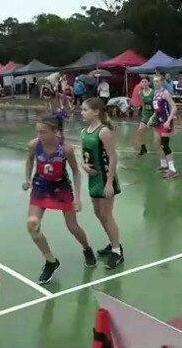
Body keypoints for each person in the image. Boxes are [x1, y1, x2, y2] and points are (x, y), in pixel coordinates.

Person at [23, 113, 97, 283]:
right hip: (40, 186)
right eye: (37, 132)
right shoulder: (34, 145)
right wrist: (27, 179)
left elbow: (76, 172)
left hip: (61, 188)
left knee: (72, 226)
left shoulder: (66, 149)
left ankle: (86, 249)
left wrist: (78, 198)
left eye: (43, 132)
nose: (39, 136)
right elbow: (29, 161)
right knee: (32, 224)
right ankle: (50, 261)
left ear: (55, 131)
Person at [80, 98, 124, 269]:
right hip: (93, 179)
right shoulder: (84, 131)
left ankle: (117, 251)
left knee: (107, 215)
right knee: (99, 214)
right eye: (82, 110)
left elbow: (113, 157)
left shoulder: (103, 131)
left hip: (105, 178)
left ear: (96, 112)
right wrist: (83, 165)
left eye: (85, 110)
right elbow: (84, 154)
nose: (82, 112)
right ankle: (113, 243)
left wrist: (110, 183)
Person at [150, 74, 179, 179]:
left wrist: (169, 120)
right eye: (154, 81)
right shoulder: (155, 93)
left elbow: (174, 107)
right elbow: (157, 108)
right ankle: (163, 164)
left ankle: (173, 170)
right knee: (156, 143)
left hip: (166, 121)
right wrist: (152, 117)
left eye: (157, 81)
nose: (155, 83)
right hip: (158, 120)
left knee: (164, 145)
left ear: (162, 82)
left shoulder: (165, 93)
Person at [133, 77, 154, 156]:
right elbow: (143, 105)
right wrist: (142, 113)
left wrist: (154, 116)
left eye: (145, 82)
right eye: (142, 82)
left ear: (149, 83)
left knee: (158, 135)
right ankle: (143, 148)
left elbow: (156, 105)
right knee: (139, 131)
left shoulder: (153, 92)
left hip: (155, 113)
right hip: (146, 114)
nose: (144, 83)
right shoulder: (141, 93)